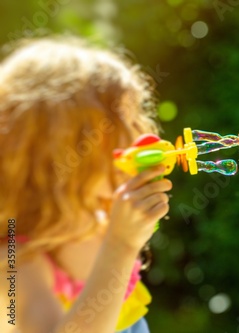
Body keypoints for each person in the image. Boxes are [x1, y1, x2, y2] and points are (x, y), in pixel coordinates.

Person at [0, 36, 172, 333]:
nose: (142, 134)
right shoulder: (14, 262)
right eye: (123, 122)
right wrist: (121, 246)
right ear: (63, 146)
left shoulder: (101, 223)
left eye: (138, 117)